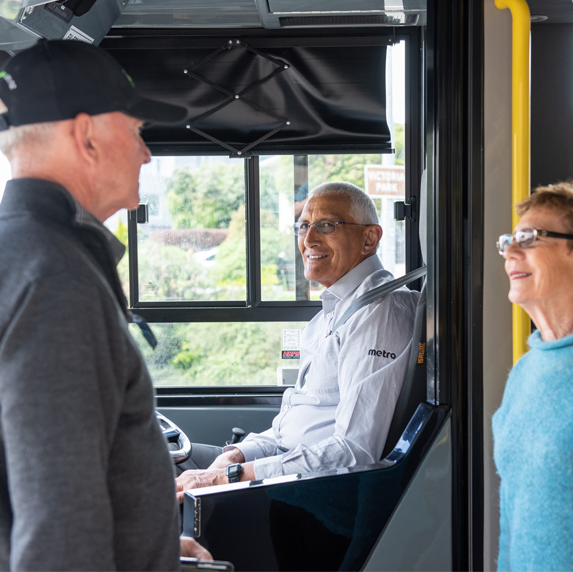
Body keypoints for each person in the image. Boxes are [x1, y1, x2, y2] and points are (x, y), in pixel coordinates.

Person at [0, 40, 211, 570]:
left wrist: (153, 550)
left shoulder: (25, 251)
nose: (147, 153)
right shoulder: (55, 277)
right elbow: (60, 525)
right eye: (137, 131)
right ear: (86, 135)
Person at [175, 181, 420, 498]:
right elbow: (292, 428)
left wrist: (232, 476)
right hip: (287, 465)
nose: (309, 239)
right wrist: (241, 453)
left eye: (327, 225)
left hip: (312, 491)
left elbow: (354, 451)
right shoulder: (331, 314)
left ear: (369, 238)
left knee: (157, 466)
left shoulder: (378, 313)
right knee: (163, 460)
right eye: (303, 226)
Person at [492, 183, 573, 571]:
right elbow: (513, 516)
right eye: (508, 241)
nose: (510, 252)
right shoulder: (526, 370)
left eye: (530, 238)